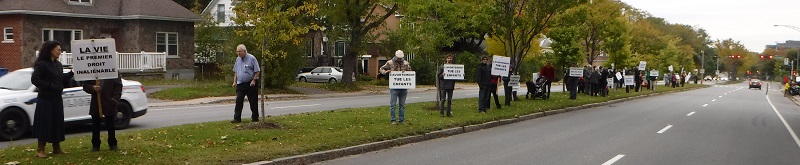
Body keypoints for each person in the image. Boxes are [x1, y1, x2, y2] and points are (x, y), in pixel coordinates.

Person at [31, 41, 74, 157]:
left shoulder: (58, 65)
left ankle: (56, 147)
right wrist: (49, 86)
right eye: (58, 50)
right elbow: (35, 79)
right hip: (45, 99)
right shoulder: (42, 64)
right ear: (51, 50)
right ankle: (41, 149)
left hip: (57, 98)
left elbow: (60, 78)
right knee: (44, 124)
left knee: (57, 123)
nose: (60, 52)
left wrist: (71, 74)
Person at [82, 77, 122, 151]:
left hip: (109, 102)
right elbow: (85, 85)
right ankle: (95, 145)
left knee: (110, 125)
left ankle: (112, 144)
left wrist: (114, 100)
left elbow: (118, 86)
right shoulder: (92, 71)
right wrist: (93, 88)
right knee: (96, 125)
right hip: (96, 103)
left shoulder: (112, 69)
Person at [381, 50, 413, 124]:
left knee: (402, 105)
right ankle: (393, 119)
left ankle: (401, 120)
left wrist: (407, 72)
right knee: (393, 104)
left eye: (401, 58)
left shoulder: (406, 63)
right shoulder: (390, 63)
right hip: (394, 87)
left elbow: (410, 72)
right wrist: (385, 72)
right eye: (398, 58)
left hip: (403, 87)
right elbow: (381, 69)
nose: (399, 59)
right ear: (395, 56)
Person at [231, 44, 261, 123]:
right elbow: (236, 72)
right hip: (241, 84)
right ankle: (237, 118)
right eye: (237, 51)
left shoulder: (252, 58)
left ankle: (255, 118)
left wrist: (254, 80)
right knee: (239, 100)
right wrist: (234, 81)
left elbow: (257, 71)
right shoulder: (238, 59)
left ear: (244, 51)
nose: (238, 53)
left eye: (240, 51)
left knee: (253, 101)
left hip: (251, 83)